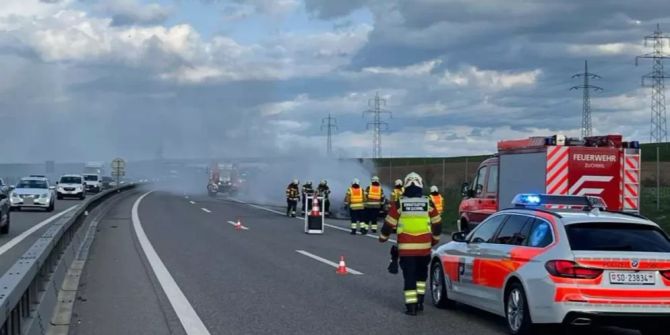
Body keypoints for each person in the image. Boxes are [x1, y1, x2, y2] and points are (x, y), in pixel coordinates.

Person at [379, 172, 442, 316]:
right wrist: (436, 239)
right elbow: (437, 223)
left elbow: (389, 224)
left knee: (410, 277)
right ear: (420, 185)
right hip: (424, 249)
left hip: (406, 250)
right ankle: (420, 301)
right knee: (421, 275)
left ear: (405, 186)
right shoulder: (428, 202)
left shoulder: (400, 203)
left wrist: (383, 237)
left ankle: (411, 307)